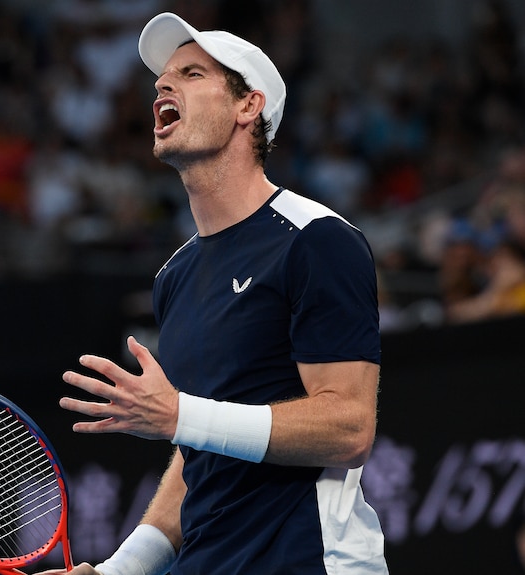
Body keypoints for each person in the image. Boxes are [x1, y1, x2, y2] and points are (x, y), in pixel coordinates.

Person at [38, 12, 388, 575]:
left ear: (248, 107)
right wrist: (118, 570)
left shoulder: (318, 240)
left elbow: (348, 428)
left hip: (308, 561)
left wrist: (179, 415)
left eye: (193, 73)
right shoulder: (173, 278)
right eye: (161, 80)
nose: (164, 86)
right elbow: (199, 449)